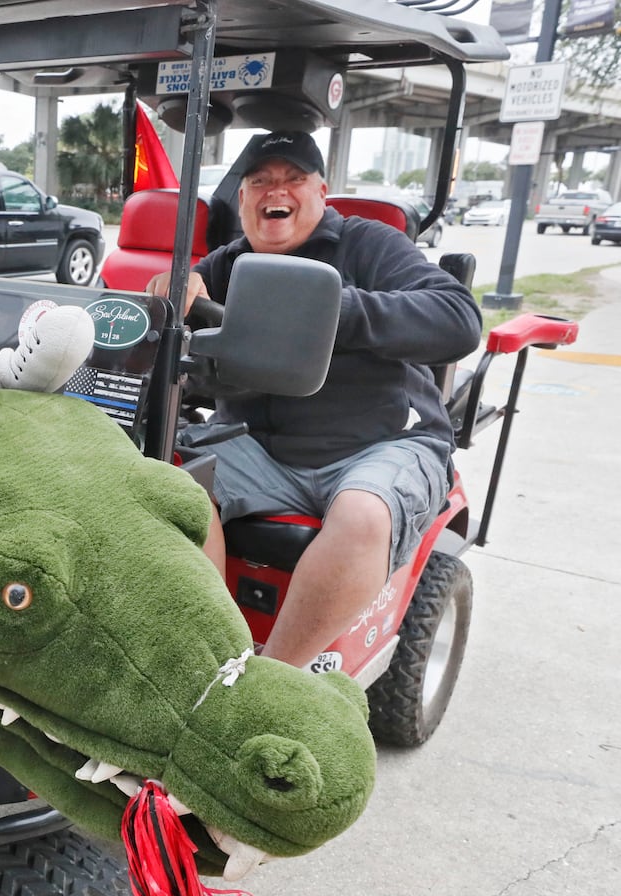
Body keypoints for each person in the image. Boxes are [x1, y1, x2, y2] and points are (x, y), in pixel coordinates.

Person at [146, 130, 481, 670]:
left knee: (364, 516)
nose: (275, 190)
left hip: (378, 443)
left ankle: (272, 682)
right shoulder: (227, 265)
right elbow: (181, 355)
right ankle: (206, 658)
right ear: (244, 198)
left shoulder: (369, 244)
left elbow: (459, 319)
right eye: (260, 181)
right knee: (162, 485)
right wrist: (170, 300)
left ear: (322, 191)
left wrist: (328, 310)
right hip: (256, 446)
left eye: (293, 179)